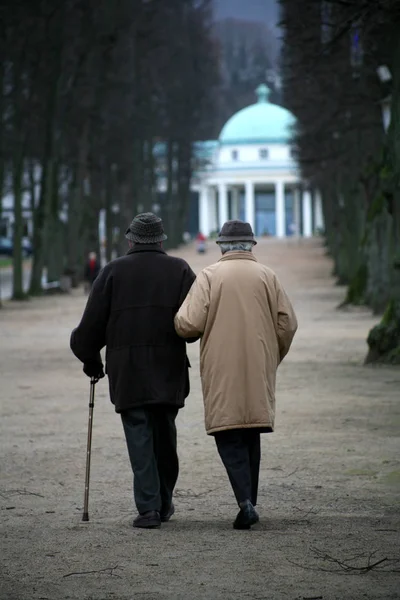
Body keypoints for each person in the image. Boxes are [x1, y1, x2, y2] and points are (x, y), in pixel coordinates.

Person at [70, 213, 197, 529]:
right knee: (165, 436)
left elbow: (89, 329)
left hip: (129, 373)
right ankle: (164, 502)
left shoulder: (113, 271)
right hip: (168, 369)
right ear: (161, 240)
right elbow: (194, 325)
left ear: (130, 240)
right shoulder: (180, 270)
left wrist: (92, 361)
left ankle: (149, 508)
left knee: (139, 437)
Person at [174, 220, 298, 530]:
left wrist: (176, 318)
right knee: (251, 430)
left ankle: (245, 502)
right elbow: (288, 324)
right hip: (258, 363)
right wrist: (272, 355)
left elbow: (189, 324)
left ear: (221, 246)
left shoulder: (210, 276)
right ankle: (249, 501)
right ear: (251, 245)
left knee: (228, 431)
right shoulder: (268, 276)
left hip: (221, 364)